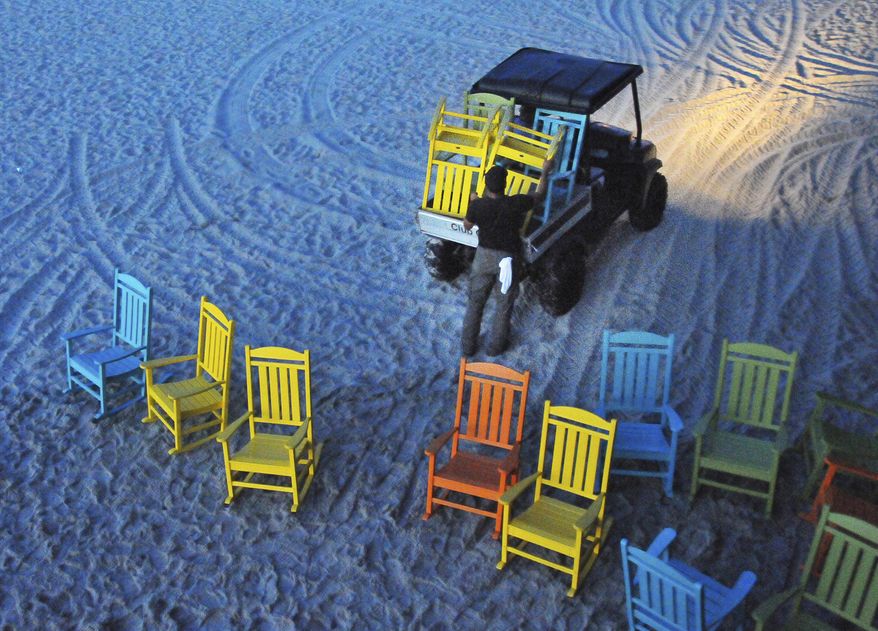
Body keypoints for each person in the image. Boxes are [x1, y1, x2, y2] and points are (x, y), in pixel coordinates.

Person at [460, 160, 553, 356]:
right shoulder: (516, 203)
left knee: (475, 302)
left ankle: (468, 348)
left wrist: (473, 202)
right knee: (504, 305)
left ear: (486, 184)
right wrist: (545, 171)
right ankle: (495, 348)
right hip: (508, 261)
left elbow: (466, 226)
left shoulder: (478, 206)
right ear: (505, 184)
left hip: (483, 257)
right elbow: (540, 195)